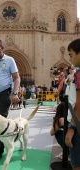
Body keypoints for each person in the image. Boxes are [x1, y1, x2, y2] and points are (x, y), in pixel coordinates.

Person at [65, 38, 80, 170]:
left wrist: (71, 129)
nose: (70, 59)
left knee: (76, 165)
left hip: (78, 125)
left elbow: (79, 104)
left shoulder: (79, 74)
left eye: (71, 55)